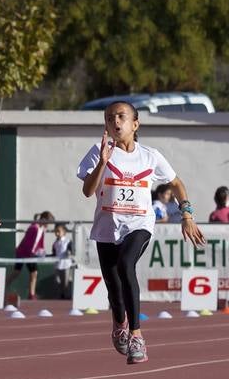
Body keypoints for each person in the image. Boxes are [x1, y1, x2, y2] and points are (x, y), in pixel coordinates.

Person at [78, 100, 205, 365]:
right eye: (110, 117)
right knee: (113, 289)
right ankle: (119, 322)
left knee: (126, 265)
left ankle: (136, 335)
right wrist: (102, 163)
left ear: (135, 124)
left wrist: (187, 214)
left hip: (140, 224)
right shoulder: (98, 151)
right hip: (106, 227)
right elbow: (88, 191)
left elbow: (176, 183)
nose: (115, 121)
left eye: (121, 116)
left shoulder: (150, 156)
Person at [10, 210, 53, 307]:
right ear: (43, 219)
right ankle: (4, 287)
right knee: (16, 273)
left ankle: (31, 294)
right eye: (48, 222)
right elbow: (27, 243)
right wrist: (33, 254)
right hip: (23, 254)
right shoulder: (34, 228)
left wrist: (42, 252)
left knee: (34, 273)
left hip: (31, 255)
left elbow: (40, 243)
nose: (48, 225)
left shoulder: (42, 229)